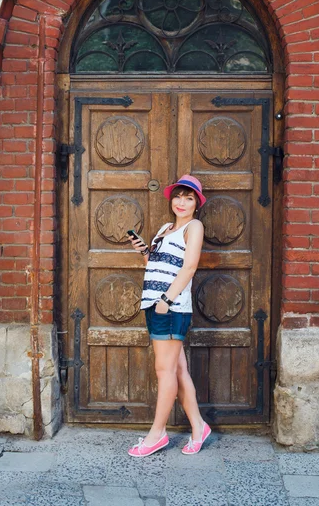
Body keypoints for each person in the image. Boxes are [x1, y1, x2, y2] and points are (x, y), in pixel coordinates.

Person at [127, 175, 211, 458]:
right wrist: (144, 252)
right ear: (171, 199)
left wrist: (166, 300)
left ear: (197, 204)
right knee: (177, 370)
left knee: (164, 371)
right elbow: (156, 264)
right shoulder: (165, 228)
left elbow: (189, 268)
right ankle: (199, 427)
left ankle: (157, 434)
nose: (182, 202)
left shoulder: (194, 227)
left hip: (170, 307)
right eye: (178, 196)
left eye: (189, 198)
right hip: (154, 303)